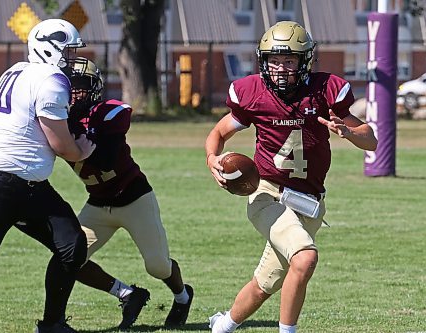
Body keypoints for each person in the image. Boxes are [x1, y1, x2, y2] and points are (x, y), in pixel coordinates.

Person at [205, 21, 378, 333]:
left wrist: (348, 132)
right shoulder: (252, 93)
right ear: (263, 61)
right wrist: (211, 157)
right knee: (304, 258)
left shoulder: (325, 90)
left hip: (309, 201)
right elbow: (218, 132)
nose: (281, 68)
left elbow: (371, 139)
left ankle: (223, 326)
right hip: (265, 193)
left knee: (265, 283)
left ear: (304, 61)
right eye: (274, 61)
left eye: (289, 61)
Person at [0, 19, 96, 333]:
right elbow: (62, 146)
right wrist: (83, 150)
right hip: (1, 180)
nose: (72, 59)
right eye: (68, 50)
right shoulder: (51, 79)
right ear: (49, 47)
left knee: (71, 245)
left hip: (30, 184)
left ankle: (52, 325)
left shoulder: (16, 70)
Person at [65, 57, 194, 331]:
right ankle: (127, 294)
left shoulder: (107, 112)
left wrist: (74, 132)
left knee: (158, 266)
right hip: (98, 204)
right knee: (68, 258)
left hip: (134, 198)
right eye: (68, 85)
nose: (74, 92)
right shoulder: (55, 120)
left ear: (95, 88)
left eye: (80, 85)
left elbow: (106, 159)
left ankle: (182, 296)